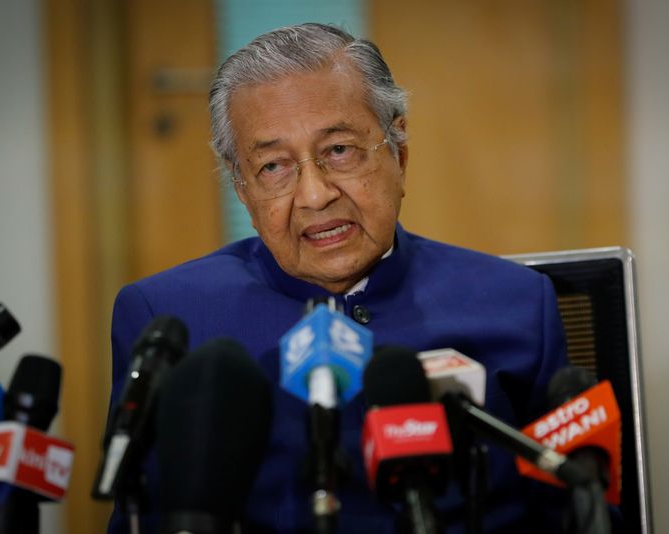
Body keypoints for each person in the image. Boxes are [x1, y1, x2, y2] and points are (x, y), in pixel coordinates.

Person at [108, 23, 569, 533]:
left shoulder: (518, 303)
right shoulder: (169, 319)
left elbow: (578, 515)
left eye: (340, 150)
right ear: (241, 186)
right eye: (273, 166)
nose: (314, 195)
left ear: (400, 152)